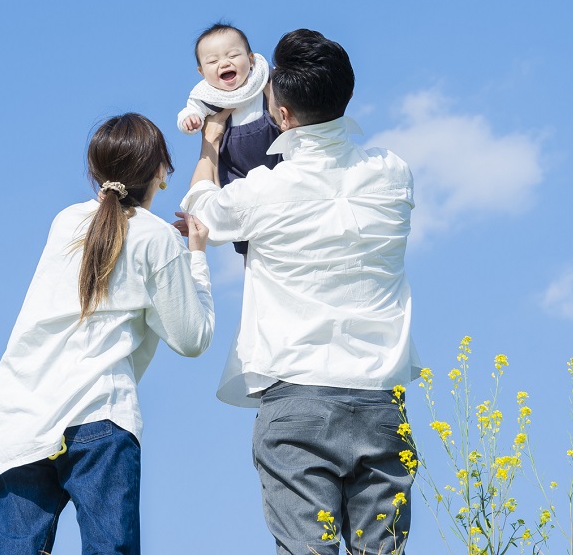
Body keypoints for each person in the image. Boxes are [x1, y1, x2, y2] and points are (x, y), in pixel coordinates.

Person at [180, 29, 420, 555]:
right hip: (381, 398)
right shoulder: (393, 173)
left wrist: (211, 144)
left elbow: (201, 207)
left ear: (281, 118)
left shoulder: (266, 189)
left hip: (296, 394)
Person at [0, 113, 215, 555]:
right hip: (99, 414)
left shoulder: (66, 222)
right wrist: (194, 258)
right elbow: (192, 338)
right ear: (160, 173)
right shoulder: (156, 239)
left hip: (22, 420)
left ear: (95, 171)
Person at [176, 22, 281, 254]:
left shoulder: (262, 80)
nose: (224, 63)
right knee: (244, 231)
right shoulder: (207, 96)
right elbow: (189, 111)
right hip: (235, 169)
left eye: (234, 55)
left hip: (274, 156)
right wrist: (190, 120)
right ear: (202, 73)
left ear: (251, 59)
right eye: (212, 61)